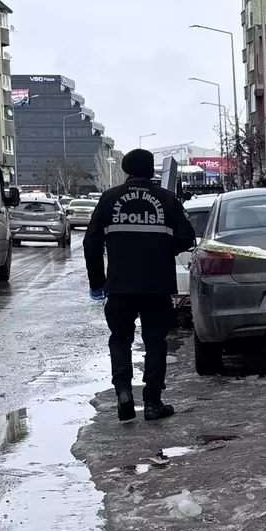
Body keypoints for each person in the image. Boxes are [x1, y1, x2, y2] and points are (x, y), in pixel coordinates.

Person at [84, 148, 196, 422]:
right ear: (151, 171)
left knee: (120, 339)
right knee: (155, 341)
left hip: (120, 285)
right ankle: (153, 403)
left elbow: (91, 242)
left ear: (126, 170)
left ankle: (123, 392)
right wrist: (160, 248)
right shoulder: (166, 200)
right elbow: (187, 237)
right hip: (156, 285)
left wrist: (98, 282)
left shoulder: (110, 199)